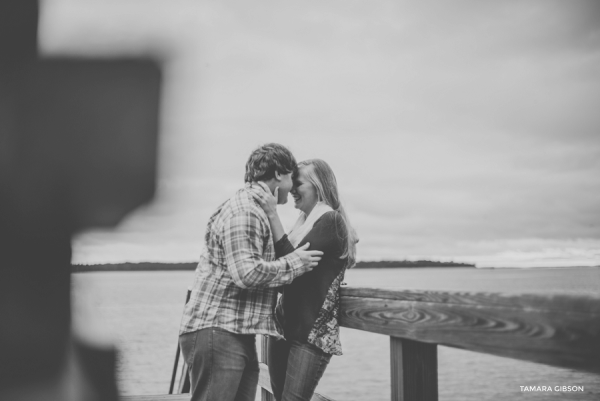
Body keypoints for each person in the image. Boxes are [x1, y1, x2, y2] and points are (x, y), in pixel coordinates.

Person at [178, 144, 324, 401]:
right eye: (292, 178)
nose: (291, 189)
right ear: (279, 173)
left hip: (236, 332)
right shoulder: (246, 210)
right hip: (218, 331)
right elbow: (246, 274)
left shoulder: (255, 208)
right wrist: (297, 263)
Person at [250, 158, 358, 401]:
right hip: (283, 329)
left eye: (298, 183)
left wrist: (271, 213)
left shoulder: (330, 221)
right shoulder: (301, 225)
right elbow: (280, 269)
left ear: (318, 187)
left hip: (310, 334)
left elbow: (291, 270)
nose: (291, 189)